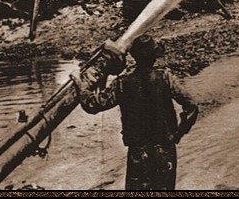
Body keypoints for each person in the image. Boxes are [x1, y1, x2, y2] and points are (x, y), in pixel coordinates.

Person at [71, 35, 198, 190]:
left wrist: (80, 85)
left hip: (138, 151)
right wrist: (178, 133)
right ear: (154, 57)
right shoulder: (166, 77)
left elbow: (93, 105)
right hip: (164, 147)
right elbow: (191, 106)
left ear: (135, 57)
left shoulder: (122, 83)